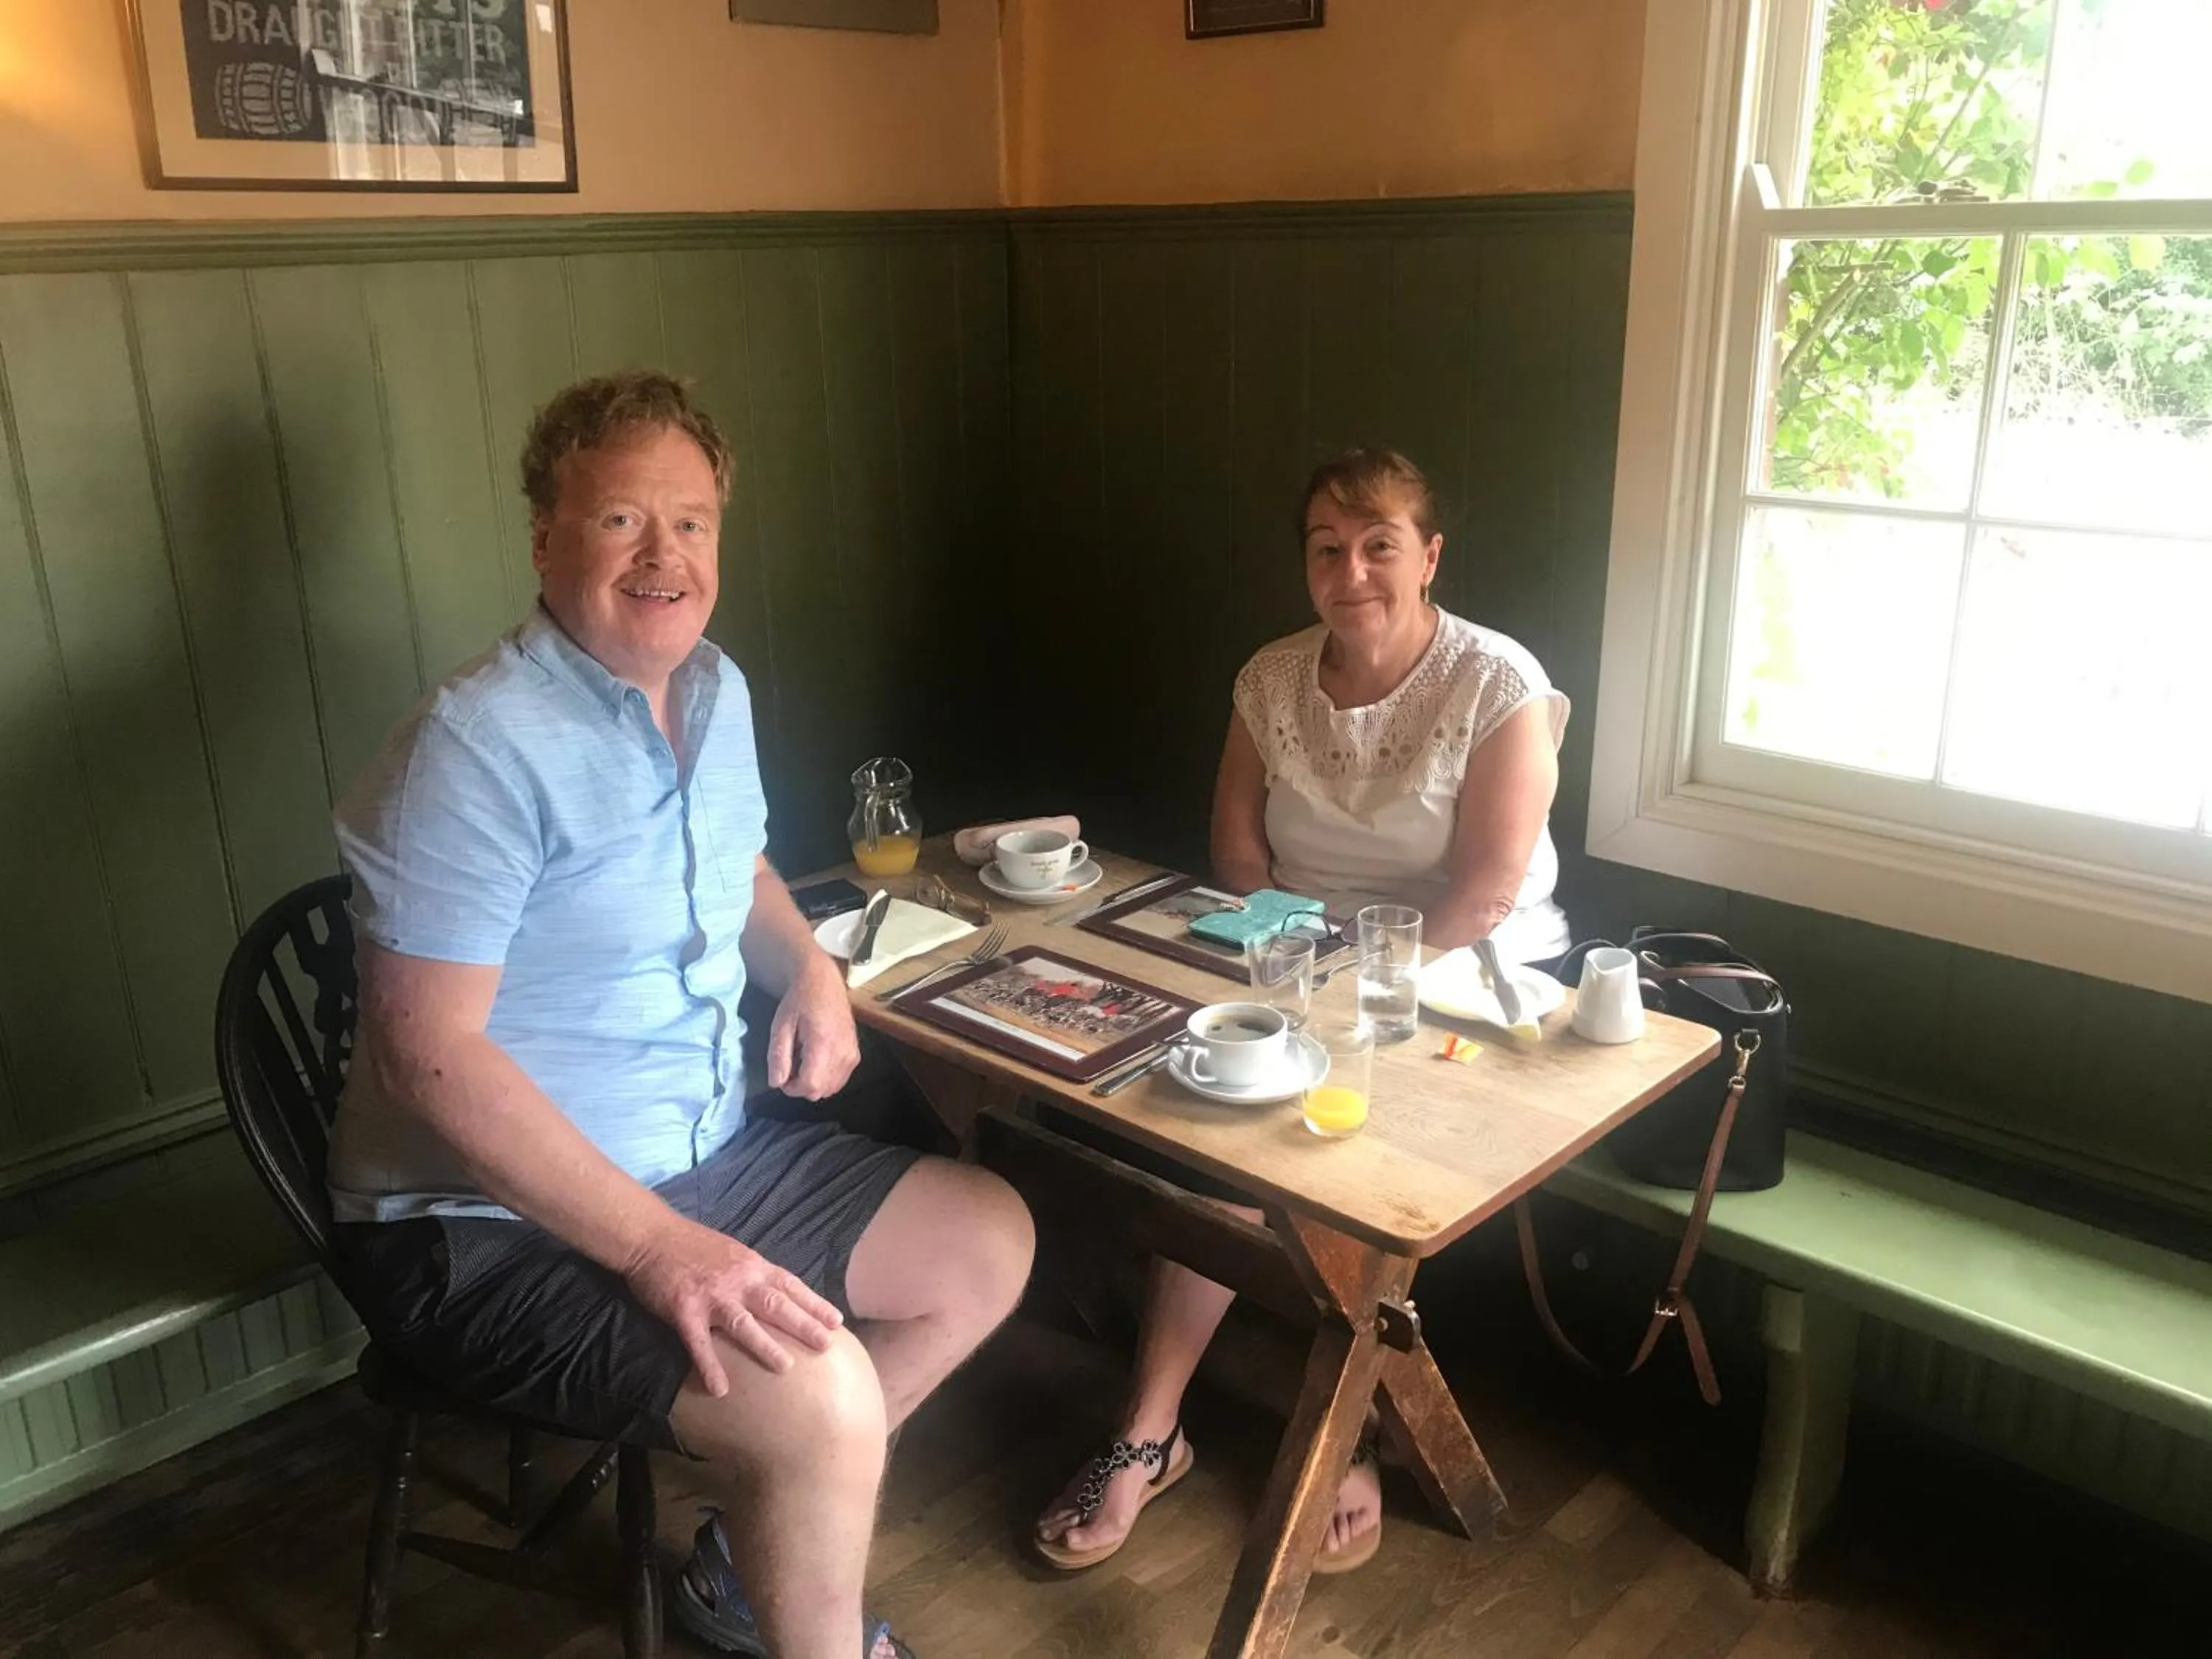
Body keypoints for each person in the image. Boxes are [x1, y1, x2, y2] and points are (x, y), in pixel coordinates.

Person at [327, 370, 1035, 1659]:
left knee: (986, 1237)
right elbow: (425, 1057)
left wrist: (810, 969)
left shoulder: (716, 691)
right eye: (620, 522)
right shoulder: (474, 747)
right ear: (545, 538)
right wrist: (662, 1249)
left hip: (696, 1153)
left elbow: (745, 872)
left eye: (694, 521)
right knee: (819, 1403)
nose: (666, 555)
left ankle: (739, 1565)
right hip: (481, 1226)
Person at [1034, 447, 1570, 1574]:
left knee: (1352, 1144)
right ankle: (1151, 1431)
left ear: (1429, 555)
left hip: (1462, 966)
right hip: (1289, 943)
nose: (1353, 569)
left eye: (1380, 544)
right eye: (1328, 547)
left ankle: (1363, 1425)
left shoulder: (1497, 681)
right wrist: (1286, 958)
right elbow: (1236, 849)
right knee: (1210, 1115)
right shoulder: (1271, 676)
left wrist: (1341, 980)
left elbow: (1484, 895)